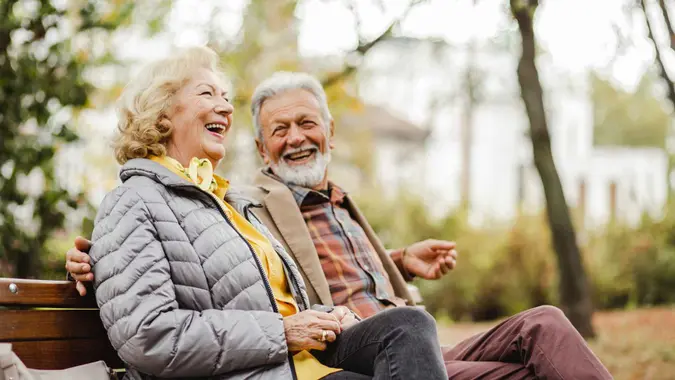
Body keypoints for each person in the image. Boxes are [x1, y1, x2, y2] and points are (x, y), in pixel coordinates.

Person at [68, 71, 613, 379]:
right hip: (347, 350)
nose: (297, 137)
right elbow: (157, 279)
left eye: (308, 123)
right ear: (260, 148)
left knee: (543, 323)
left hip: (402, 342)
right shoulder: (253, 199)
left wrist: (398, 262)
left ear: (331, 131)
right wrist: (88, 257)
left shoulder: (290, 201)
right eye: (279, 129)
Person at [85, 47, 447, 380]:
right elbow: (148, 336)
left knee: (410, 325)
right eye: (207, 94)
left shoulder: (229, 202)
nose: (227, 108)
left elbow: (269, 302)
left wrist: (325, 313)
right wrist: (284, 332)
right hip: (261, 370)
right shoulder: (132, 201)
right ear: (162, 112)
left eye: (226, 98)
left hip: (303, 364)